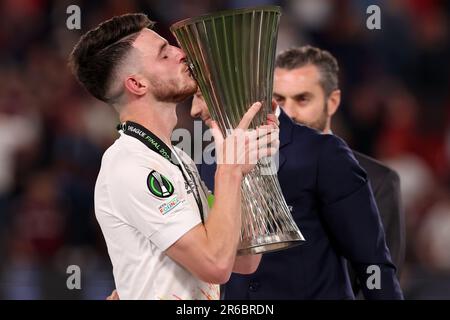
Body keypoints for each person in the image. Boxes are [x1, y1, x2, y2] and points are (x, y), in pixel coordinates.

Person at [68, 13, 278, 300]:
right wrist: (229, 170)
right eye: (164, 54)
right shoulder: (131, 165)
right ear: (137, 84)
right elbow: (215, 265)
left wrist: (252, 163)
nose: (181, 54)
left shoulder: (177, 158)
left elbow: (243, 258)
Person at [191, 70, 403, 299]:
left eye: (201, 95)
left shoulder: (323, 153)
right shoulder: (207, 163)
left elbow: (371, 261)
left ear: (234, 90)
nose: (194, 110)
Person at [271, 46, 405, 295]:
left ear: (332, 102)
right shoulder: (258, 171)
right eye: (279, 100)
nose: (288, 112)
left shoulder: (380, 181)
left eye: (302, 99)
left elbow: (377, 276)